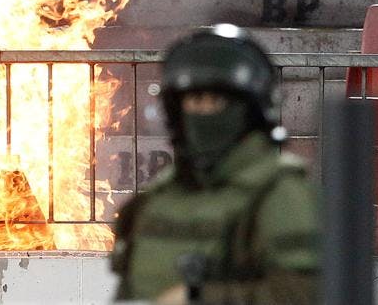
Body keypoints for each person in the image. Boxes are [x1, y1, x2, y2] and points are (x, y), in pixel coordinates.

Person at [111, 24, 319, 304]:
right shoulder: (160, 196)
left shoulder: (279, 191)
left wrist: (199, 297)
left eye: (216, 100)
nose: (203, 112)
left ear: (249, 109)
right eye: (194, 100)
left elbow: (306, 293)